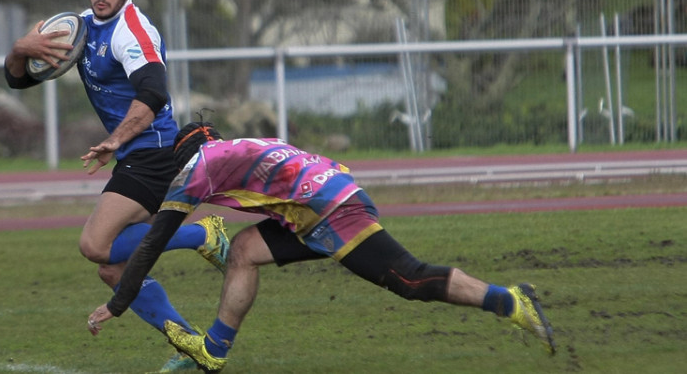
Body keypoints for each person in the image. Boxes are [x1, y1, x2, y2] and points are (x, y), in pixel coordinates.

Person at [87, 121, 557, 372]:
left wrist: (118, 301)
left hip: (332, 212)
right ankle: (213, 350)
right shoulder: (243, 143)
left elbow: (153, 242)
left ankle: (510, 300)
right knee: (247, 250)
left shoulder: (197, 167)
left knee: (409, 279)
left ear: (184, 156)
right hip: (324, 201)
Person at [4, 0, 230, 372]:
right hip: (134, 153)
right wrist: (21, 48)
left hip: (156, 152)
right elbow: (17, 82)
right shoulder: (80, 28)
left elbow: (154, 92)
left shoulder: (133, 31)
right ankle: (192, 347)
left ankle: (202, 235)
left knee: (95, 245)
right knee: (114, 272)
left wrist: (116, 139)